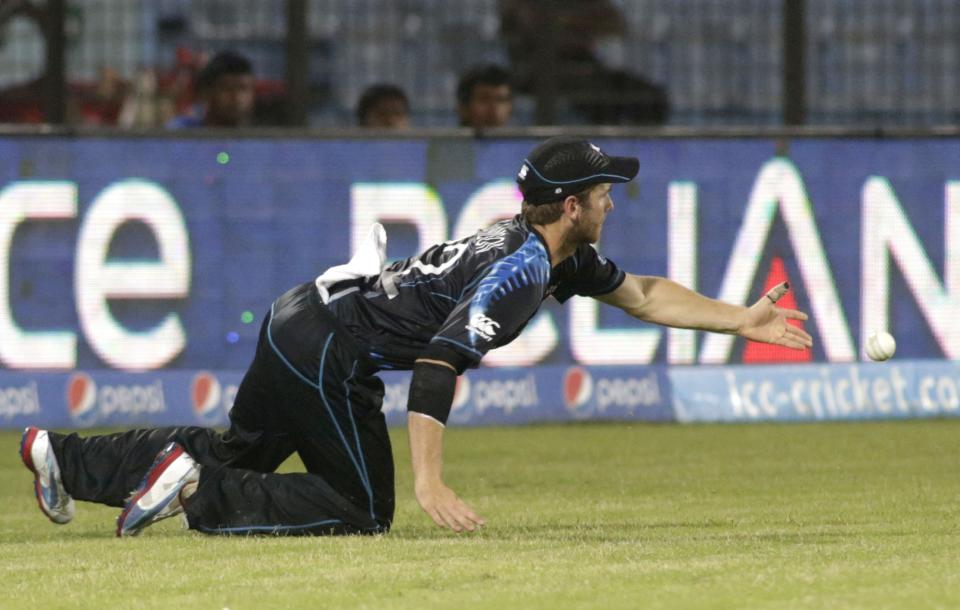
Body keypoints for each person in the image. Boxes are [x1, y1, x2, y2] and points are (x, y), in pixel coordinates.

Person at [19, 137, 813, 537]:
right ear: (571, 205)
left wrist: (741, 318)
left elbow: (640, 294)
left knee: (242, 449)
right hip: (331, 351)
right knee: (364, 507)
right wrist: (431, 481)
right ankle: (192, 488)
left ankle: (64, 455)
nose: (612, 201)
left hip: (301, 315)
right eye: (604, 192)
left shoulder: (542, 246)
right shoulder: (523, 274)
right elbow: (437, 364)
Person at [499, 0, 669, 125]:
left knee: (650, 97)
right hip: (538, 68)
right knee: (600, 97)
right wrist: (574, 22)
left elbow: (615, 23)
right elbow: (536, 25)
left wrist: (567, 21)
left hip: (586, 65)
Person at [167, 50, 255, 129]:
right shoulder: (179, 133)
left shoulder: (260, 140)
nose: (237, 98)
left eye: (244, 89)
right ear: (207, 93)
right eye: (227, 89)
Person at [456, 64, 513, 129]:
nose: (493, 108)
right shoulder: (447, 138)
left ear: (510, 108)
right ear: (463, 108)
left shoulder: (522, 138)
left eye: (501, 99)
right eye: (484, 99)